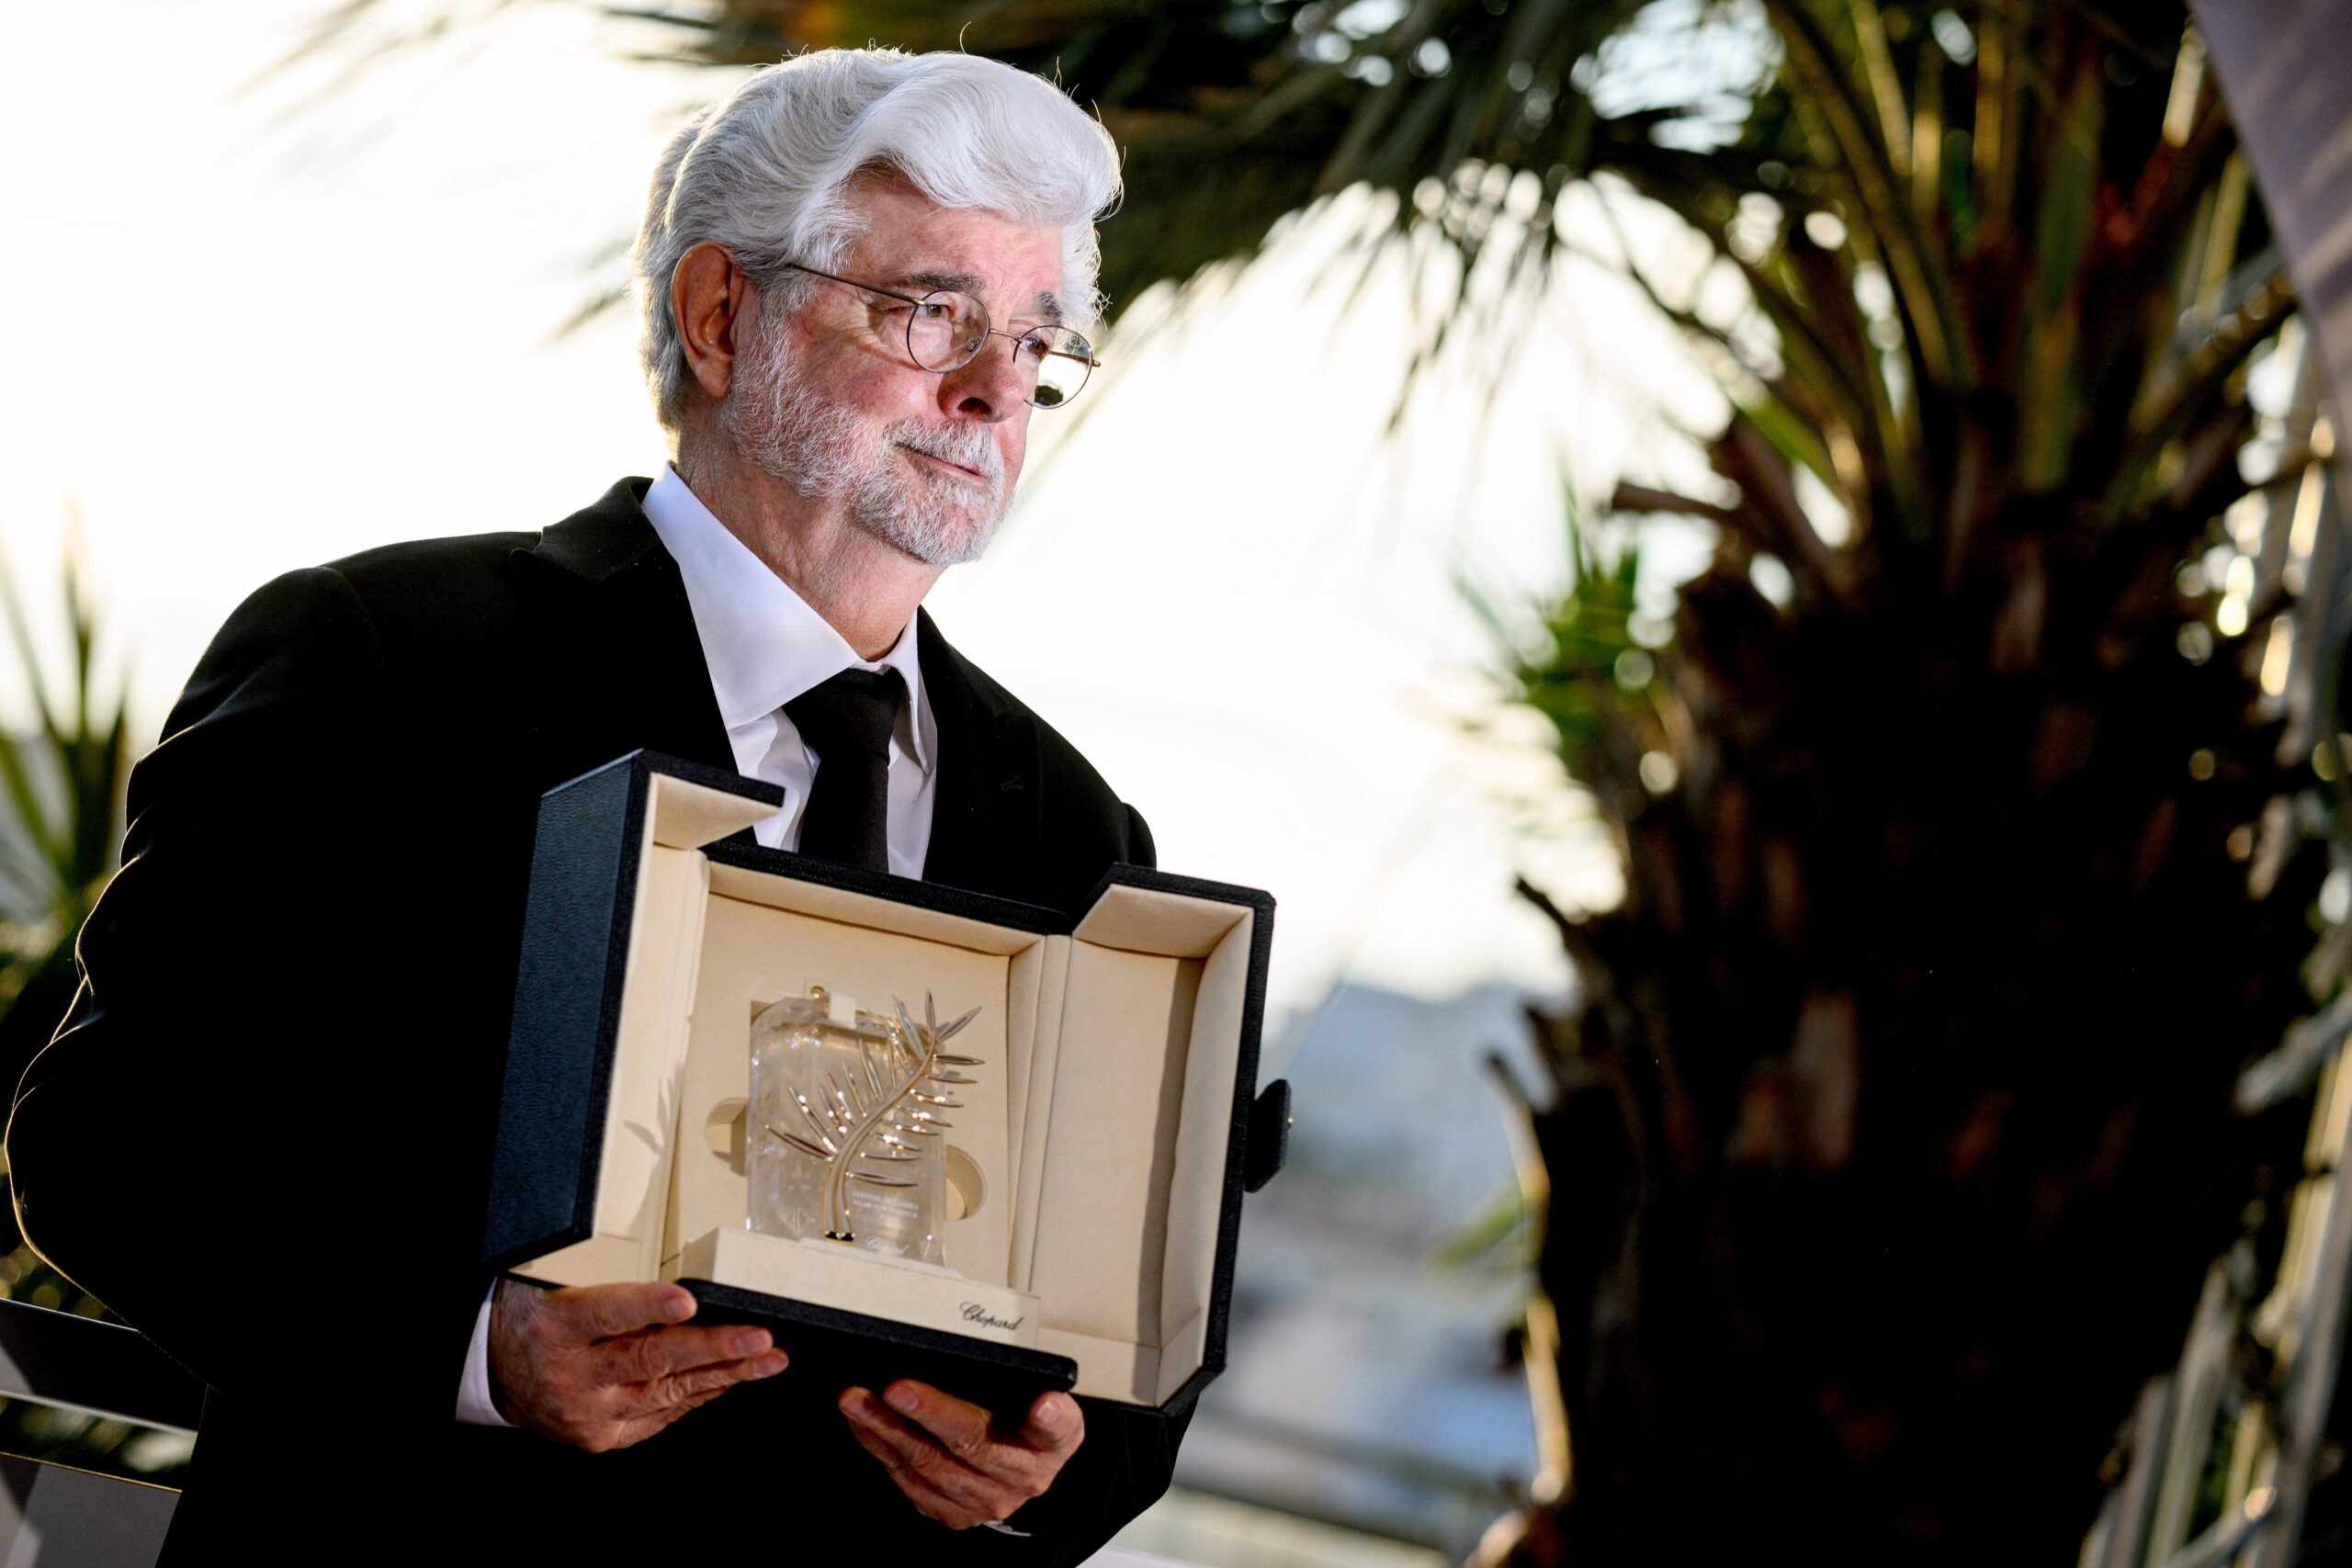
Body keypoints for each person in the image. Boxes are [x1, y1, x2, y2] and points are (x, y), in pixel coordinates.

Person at [7, 49, 1182, 1563]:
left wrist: (1050, 1467)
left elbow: (1121, 1376)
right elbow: (109, 1147)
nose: (992, 389)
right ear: (721, 314)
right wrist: (474, 1355)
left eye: (1034, 338)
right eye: (930, 310)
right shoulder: (385, 658)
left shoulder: (1077, 833)